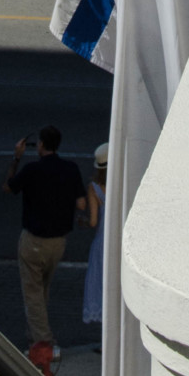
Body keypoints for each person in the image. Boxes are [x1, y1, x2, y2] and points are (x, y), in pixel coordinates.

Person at [4, 126, 87, 369]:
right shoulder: (70, 169)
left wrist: (16, 158)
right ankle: (35, 340)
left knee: (33, 295)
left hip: (34, 241)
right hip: (58, 243)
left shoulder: (31, 170)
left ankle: (44, 344)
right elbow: (81, 204)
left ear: (40, 145)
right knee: (42, 291)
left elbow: (9, 186)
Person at [82, 143, 107, 334]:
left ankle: (104, 338)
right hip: (119, 242)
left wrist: (80, 221)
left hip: (102, 244)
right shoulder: (122, 182)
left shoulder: (94, 189)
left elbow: (93, 222)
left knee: (100, 288)